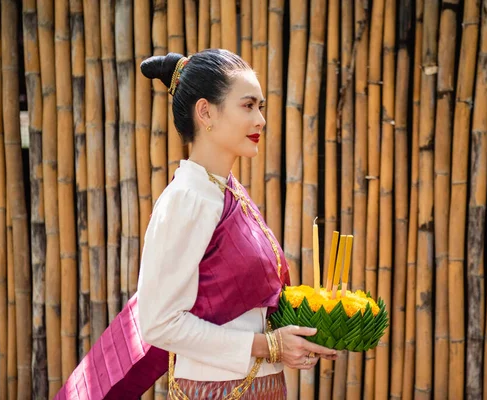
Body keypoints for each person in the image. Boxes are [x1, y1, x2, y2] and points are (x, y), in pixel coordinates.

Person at [136, 49, 338, 400]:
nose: (260, 120)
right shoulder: (187, 198)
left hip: (261, 386)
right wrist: (268, 346)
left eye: (261, 107)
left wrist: (307, 334)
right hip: (217, 391)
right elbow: (158, 323)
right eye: (248, 106)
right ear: (205, 112)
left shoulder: (225, 190)